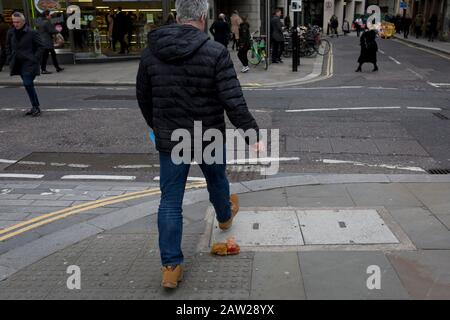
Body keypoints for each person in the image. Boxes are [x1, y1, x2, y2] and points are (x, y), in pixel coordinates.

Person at [136, 0, 264, 289]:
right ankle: (223, 218)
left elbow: (144, 97)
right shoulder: (215, 51)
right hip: (208, 135)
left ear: (178, 17)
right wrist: (252, 135)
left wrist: (157, 127)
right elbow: (233, 100)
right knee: (217, 179)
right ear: (204, 17)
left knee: (170, 201)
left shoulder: (151, 52)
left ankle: (171, 266)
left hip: (171, 139)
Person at [5, 12, 44, 117]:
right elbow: (7, 46)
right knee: (28, 85)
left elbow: (41, 47)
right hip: (17, 63)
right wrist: (9, 57)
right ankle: (35, 107)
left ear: (23, 21)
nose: (15, 24)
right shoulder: (10, 32)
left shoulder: (32, 32)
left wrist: (35, 58)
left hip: (30, 63)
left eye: (18, 22)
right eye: (14, 22)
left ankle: (36, 107)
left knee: (27, 83)